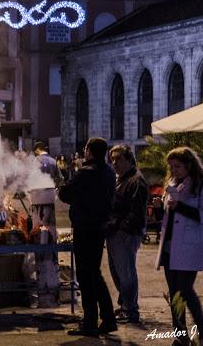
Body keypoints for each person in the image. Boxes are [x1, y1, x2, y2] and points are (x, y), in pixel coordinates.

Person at [59, 137, 117, 337]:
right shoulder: (109, 172)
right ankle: (108, 319)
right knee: (95, 273)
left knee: (85, 275)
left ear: (90, 152)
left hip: (85, 228)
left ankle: (90, 322)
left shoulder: (85, 172)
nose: (84, 152)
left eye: (85, 149)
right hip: (100, 227)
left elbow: (65, 194)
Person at [155, 147, 203, 346]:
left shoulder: (199, 186)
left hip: (188, 246)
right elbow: (167, 218)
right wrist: (159, 209)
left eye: (178, 166)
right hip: (169, 246)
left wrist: (180, 207)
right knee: (175, 293)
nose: (174, 170)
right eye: (172, 167)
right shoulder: (172, 184)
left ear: (189, 165)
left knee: (185, 290)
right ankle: (180, 335)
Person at [107, 144, 148, 324]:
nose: (115, 163)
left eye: (119, 159)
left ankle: (131, 309)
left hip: (125, 233)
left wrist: (123, 227)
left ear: (129, 159)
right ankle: (126, 305)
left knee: (126, 273)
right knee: (118, 272)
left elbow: (136, 212)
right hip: (116, 231)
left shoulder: (135, 181)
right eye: (113, 159)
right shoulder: (122, 179)